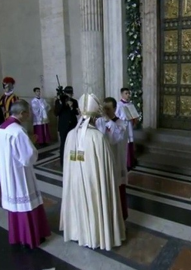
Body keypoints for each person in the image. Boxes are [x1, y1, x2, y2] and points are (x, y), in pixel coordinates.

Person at [60, 93, 126, 251]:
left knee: (79, 203)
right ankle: (97, 235)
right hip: (94, 181)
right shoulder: (97, 136)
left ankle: (78, 232)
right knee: (95, 203)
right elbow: (107, 166)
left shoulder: (71, 134)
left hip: (75, 180)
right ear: (94, 118)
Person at [0, 99, 51, 249]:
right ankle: (31, 237)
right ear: (22, 113)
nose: (30, 115)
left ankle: (18, 235)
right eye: (28, 112)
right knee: (26, 201)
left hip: (7, 174)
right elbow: (28, 157)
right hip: (20, 174)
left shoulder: (1, 129)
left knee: (15, 204)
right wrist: (32, 143)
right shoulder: (18, 131)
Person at [96, 97, 129, 220]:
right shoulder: (99, 122)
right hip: (103, 162)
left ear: (115, 109)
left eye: (108, 109)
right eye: (104, 108)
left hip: (116, 162)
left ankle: (119, 217)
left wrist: (107, 120)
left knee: (117, 189)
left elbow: (114, 139)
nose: (106, 111)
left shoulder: (122, 124)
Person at [54, 86, 79, 167]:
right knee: (63, 143)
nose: (69, 96)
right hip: (63, 126)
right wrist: (62, 103)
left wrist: (71, 107)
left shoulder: (74, 101)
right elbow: (56, 113)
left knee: (73, 143)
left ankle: (73, 159)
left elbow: (77, 112)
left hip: (73, 125)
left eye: (70, 94)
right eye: (67, 94)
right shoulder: (59, 101)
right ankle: (63, 162)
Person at [116, 87, 139, 170]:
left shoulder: (130, 104)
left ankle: (131, 161)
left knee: (130, 142)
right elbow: (116, 115)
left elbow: (134, 114)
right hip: (123, 125)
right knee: (126, 143)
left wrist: (134, 119)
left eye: (129, 93)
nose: (128, 95)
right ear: (122, 94)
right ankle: (126, 163)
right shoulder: (119, 104)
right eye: (126, 93)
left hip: (129, 125)